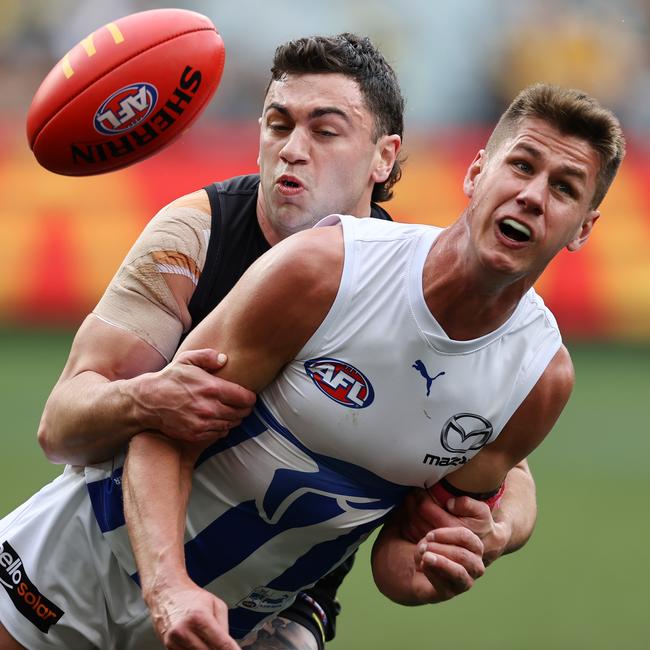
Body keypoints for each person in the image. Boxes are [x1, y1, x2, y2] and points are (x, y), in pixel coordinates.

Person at [0, 81, 624, 650]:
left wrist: (440, 562)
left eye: (564, 188)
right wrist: (168, 588)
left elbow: (398, 563)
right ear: (477, 172)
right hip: (68, 575)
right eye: (521, 166)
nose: (533, 196)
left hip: (229, 630)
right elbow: (164, 429)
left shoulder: (540, 379)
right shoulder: (327, 269)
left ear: (582, 229)